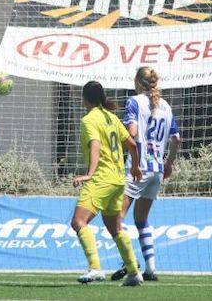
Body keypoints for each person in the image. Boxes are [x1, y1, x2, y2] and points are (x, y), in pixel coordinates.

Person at [111, 67, 181, 282]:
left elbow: (132, 133)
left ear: (137, 82)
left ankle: (129, 262)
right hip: (156, 169)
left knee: (116, 218)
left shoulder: (134, 101)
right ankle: (151, 269)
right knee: (141, 219)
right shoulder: (166, 106)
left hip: (137, 167)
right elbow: (176, 138)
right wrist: (168, 163)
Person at [71, 81, 143, 287]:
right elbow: (131, 144)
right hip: (118, 179)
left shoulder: (89, 119)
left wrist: (89, 174)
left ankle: (95, 268)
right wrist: (135, 168)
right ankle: (133, 272)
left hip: (101, 178)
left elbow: (95, 144)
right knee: (115, 228)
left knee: (78, 222)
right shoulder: (111, 117)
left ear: (84, 98)